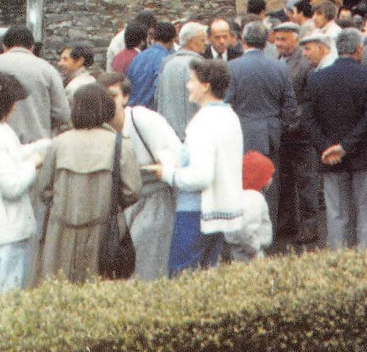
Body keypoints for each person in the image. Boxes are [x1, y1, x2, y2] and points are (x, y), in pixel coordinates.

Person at [36, 83, 141, 284]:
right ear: (107, 108)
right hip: (104, 232)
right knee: (99, 291)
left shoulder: (59, 143)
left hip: (60, 233)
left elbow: (44, 190)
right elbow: (132, 191)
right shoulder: (120, 144)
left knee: (59, 289)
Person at [154, 60, 246, 273]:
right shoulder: (230, 116)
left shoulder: (203, 122)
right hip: (222, 210)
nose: (188, 85)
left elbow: (201, 177)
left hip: (196, 212)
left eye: (192, 81)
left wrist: (168, 173)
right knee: (207, 278)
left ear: (205, 85)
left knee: (180, 278)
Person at [301, 28, 367, 249]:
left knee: (336, 213)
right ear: (359, 49)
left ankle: (339, 261)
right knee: (366, 211)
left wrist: (327, 147)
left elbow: (308, 119)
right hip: (363, 154)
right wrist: (346, 146)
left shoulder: (317, 79)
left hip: (330, 158)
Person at [98, 73, 183, 281]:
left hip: (154, 198)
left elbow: (175, 158)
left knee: (148, 264)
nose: (108, 103)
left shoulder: (143, 120)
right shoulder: (100, 129)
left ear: (125, 98)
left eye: (113, 96)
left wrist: (164, 166)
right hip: (120, 205)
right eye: (102, 98)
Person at [225, 22, 297, 240]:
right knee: (269, 186)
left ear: (244, 41)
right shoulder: (279, 67)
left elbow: (226, 103)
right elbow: (290, 105)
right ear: (267, 41)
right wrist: (279, 126)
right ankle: (267, 234)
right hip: (270, 134)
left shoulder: (232, 67)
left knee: (240, 183)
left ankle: (241, 234)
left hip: (241, 133)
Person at [0, 73, 51, 293]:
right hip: (2, 234)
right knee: (3, 295)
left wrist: (45, 145)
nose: (15, 108)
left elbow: (13, 155)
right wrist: (33, 163)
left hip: (7, 231)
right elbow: (12, 185)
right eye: (13, 103)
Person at [274, 22, 319, 245]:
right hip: (283, 132)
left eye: (283, 39)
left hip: (300, 133)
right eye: (277, 39)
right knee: (285, 180)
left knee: (306, 182)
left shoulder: (305, 64)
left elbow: (309, 99)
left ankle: (309, 226)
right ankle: (287, 223)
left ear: (295, 39)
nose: (279, 43)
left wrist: (294, 122)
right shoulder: (277, 61)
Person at [0, 25, 70, 143]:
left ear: (4, 47)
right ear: (32, 47)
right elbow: (63, 114)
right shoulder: (48, 70)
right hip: (37, 146)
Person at [156, 21, 208, 141]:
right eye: (202, 40)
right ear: (190, 41)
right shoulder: (197, 65)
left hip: (167, 134)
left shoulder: (167, 64)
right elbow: (203, 101)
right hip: (189, 136)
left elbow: (158, 98)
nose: (206, 43)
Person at [226, 152, 275, 262]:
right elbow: (243, 227)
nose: (272, 179)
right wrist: (253, 247)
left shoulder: (239, 195)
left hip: (238, 248)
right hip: (251, 252)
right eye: (269, 175)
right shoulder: (253, 198)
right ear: (258, 176)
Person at [127, 20, 177, 109]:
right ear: (172, 40)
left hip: (133, 110)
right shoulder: (167, 60)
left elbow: (128, 82)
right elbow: (161, 90)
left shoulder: (138, 57)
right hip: (152, 112)